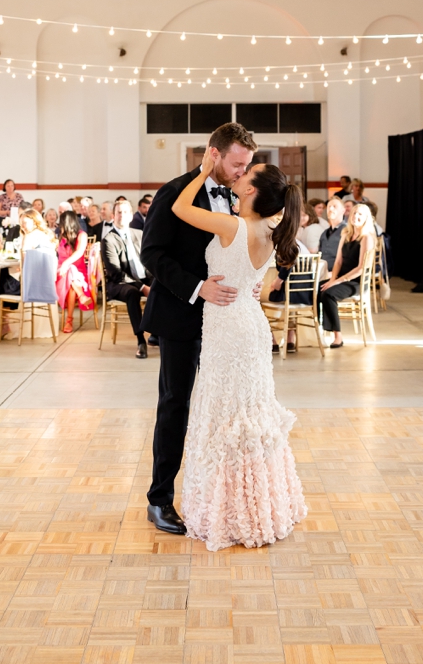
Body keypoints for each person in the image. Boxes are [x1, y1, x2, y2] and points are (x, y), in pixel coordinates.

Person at [165, 145, 307, 550]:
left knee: (226, 417)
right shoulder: (267, 229)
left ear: (250, 191)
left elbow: (179, 208)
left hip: (229, 330)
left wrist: (204, 169)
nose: (240, 175)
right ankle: (259, 506)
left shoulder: (233, 226)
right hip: (250, 326)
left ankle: (230, 510)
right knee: (249, 418)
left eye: (248, 174)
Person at [141, 122, 266, 537]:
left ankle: (211, 499)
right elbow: (152, 254)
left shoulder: (238, 197)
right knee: (175, 405)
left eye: (246, 165)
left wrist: (255, 278)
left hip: (226, 324)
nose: (241, 172)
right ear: (213, 153)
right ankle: (159, 500)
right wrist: (197, 289)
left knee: (219, 412)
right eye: (236, 163)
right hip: (181, 315)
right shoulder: (174, 192)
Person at [318, 203, 376, 348]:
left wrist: (337, 282)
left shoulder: (366, 237)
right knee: (315, 289)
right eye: (354, 213)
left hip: (355, 282)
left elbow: (360, 268)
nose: (356, 216)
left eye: (360, 214)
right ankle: (318, 332)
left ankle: (338, 336)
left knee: (328, 294)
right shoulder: (346, 234)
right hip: (341, 279)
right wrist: (332, 279)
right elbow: (338, 261)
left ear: (366, 218)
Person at [105, 198, 155, 357]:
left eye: (125, 212)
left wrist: (154, 280)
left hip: (144, 278)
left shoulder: (139, 234)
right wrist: (142, 287)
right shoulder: (109, 239)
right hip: (120, 283)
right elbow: (115, 273)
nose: (122, 215)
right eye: (119, 212)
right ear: (113, 216)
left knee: (163, 286)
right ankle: (141, 341)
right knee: (132, 293)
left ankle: (158, 333)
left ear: (132, 215)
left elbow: (150, 260)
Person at [55, 210, 93, 334]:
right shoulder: (60, 236)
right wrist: (64, 266)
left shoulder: (82, 235)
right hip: (60, 273)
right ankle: (81, 296)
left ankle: (69, 320)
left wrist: (67, 263)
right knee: (69, 275)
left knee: (71, 279)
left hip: (78, 274)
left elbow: (80, 252)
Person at [315, 197, 346, 267]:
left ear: (343, 211)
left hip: (339, 273)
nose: (331, 209)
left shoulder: (347, 230)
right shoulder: (324, 233)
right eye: (329, 207)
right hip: (322, 272)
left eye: (335, 206)